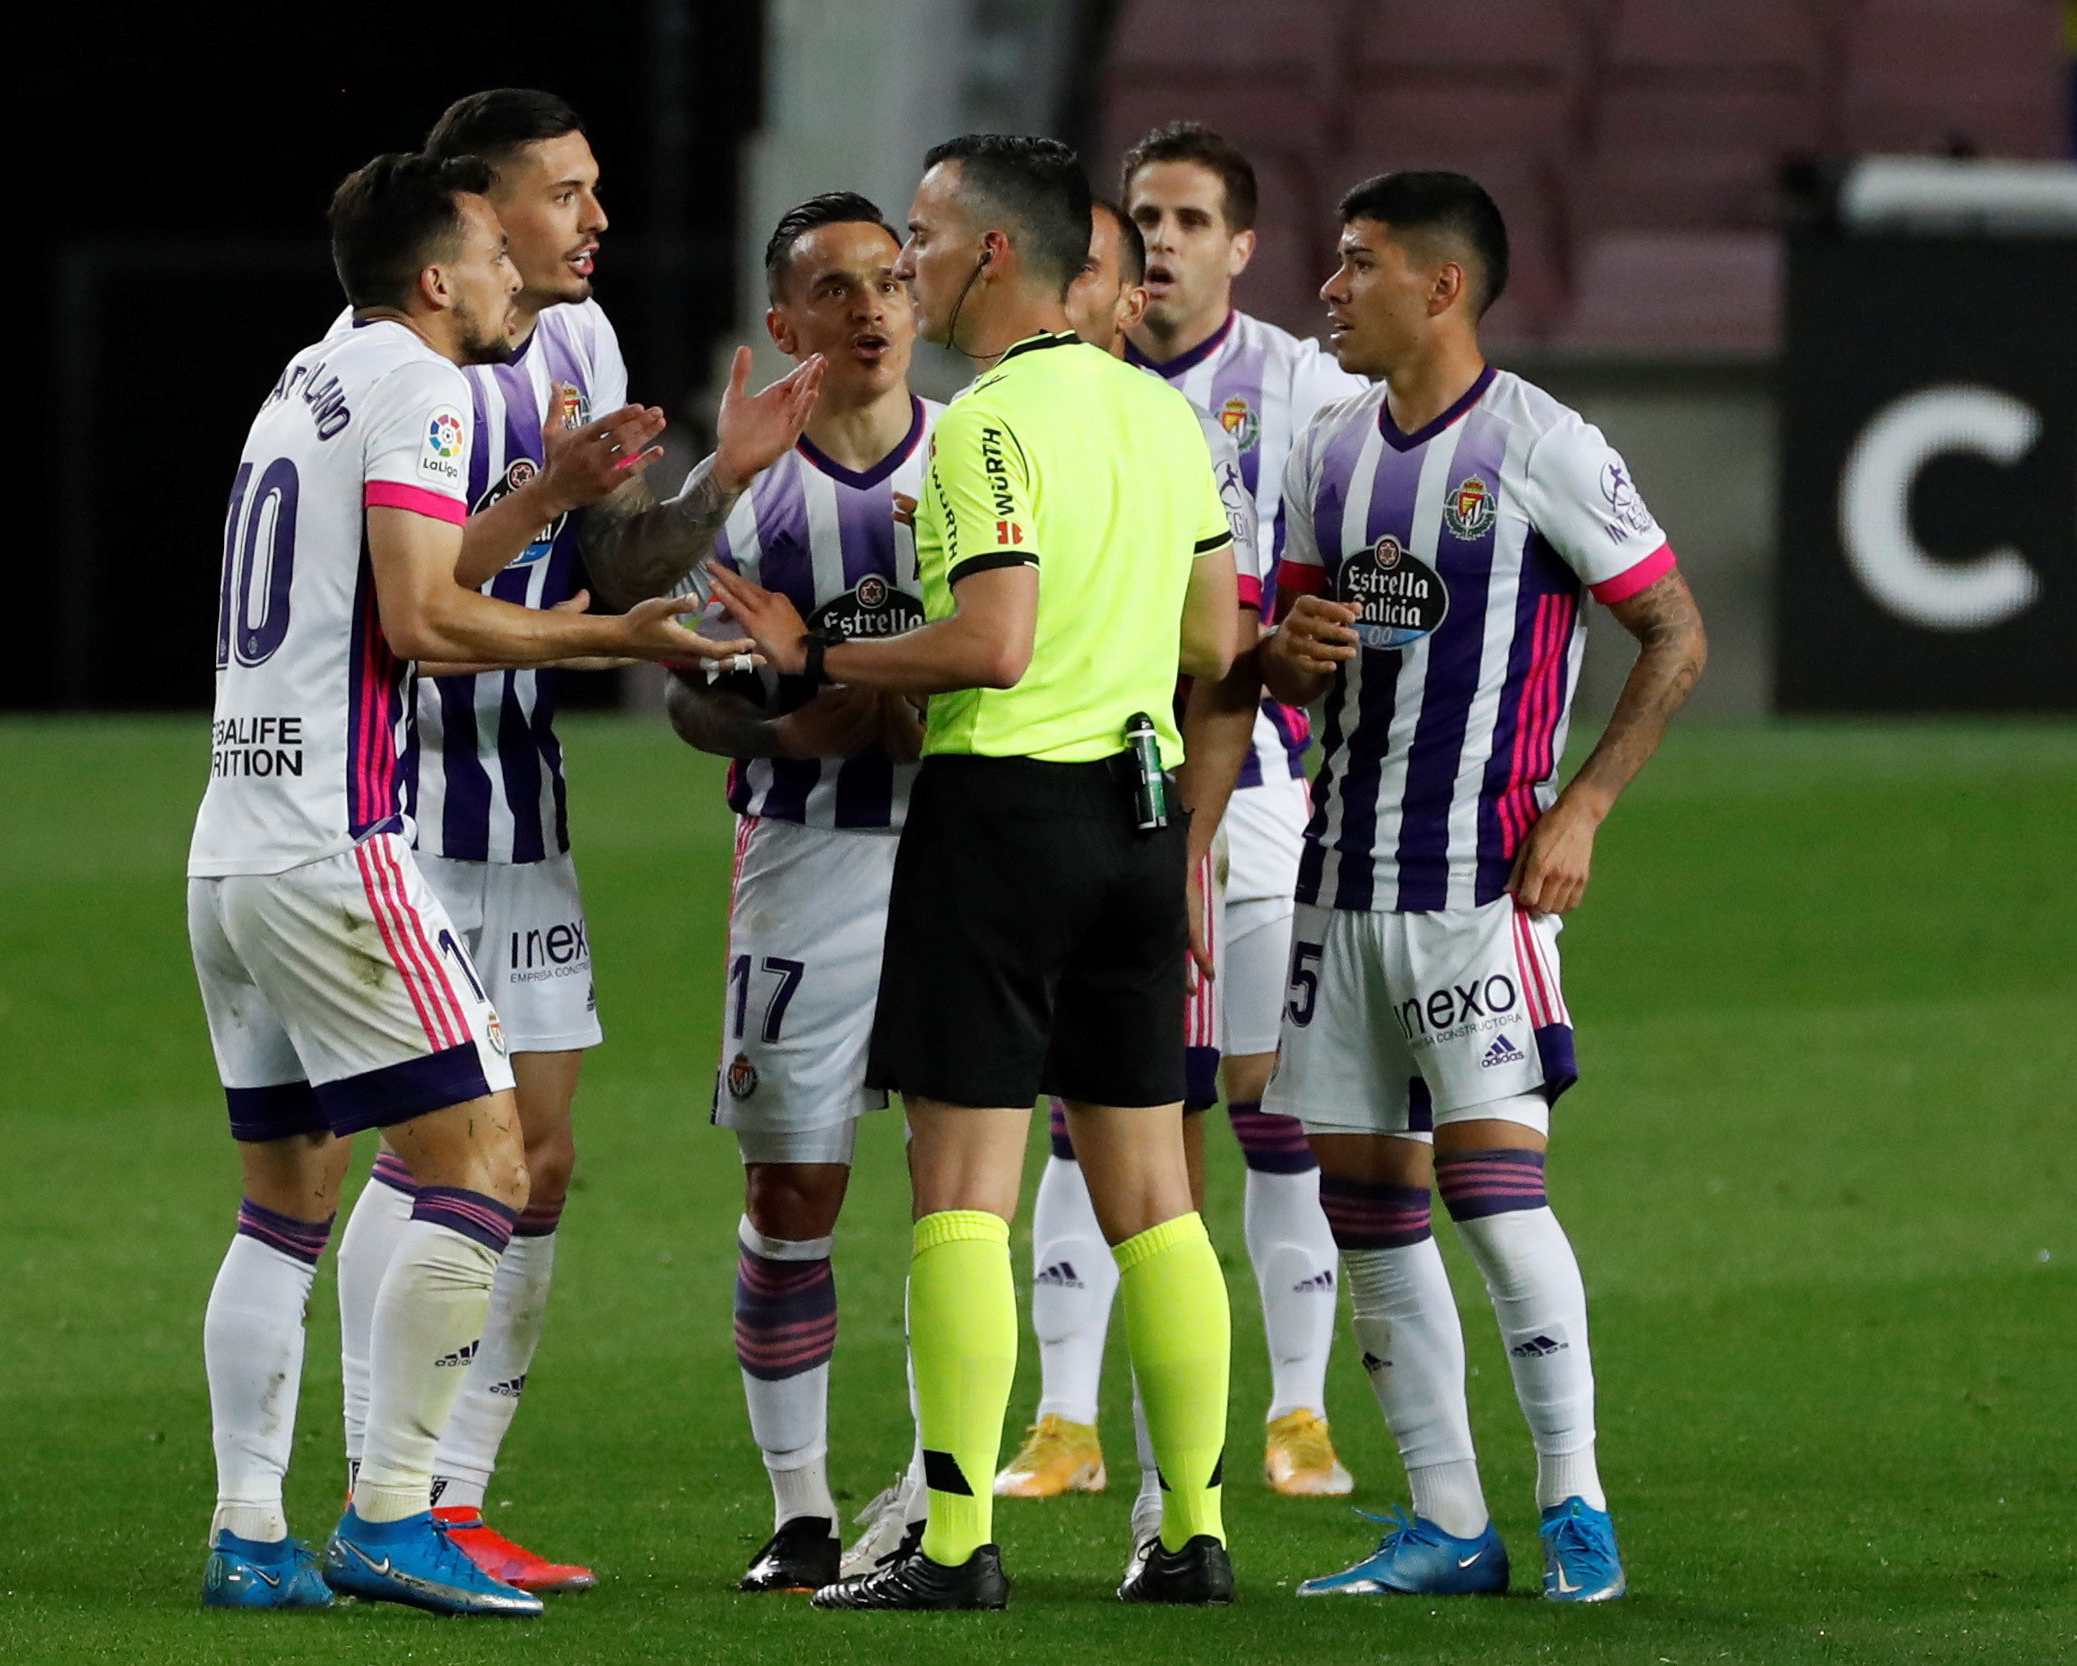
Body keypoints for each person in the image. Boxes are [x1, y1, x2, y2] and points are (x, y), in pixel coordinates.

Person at [189, 151, 744, 1617]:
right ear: (439, 276)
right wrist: (620, 638)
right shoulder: (425, 388)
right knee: (486, 1162)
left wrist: (558, 513)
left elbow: (389, 589)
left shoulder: (305, 378)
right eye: (497, 255)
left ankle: (251, 1532)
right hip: (336, 840)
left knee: (283, 1208)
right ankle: (391, 1512)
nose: (518, 279)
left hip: (229, 841)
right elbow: (428, 622)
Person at [709, 133, 1243, 1612]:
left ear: (994, 255)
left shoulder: (985, 431)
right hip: (1141, 827)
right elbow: (1211, 642)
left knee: (962, 1193)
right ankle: (1191, 1532)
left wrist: (813, 651)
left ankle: (952, 1544)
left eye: (928, 238)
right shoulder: (1161, 415)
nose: (912, 265)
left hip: (1005, 817)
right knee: (1155, 1197)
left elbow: (992, 643)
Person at [329, 88, 823, 1596]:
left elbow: (609, 560)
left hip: (521, 804)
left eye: (600, 185)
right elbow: (415, 605)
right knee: (432, 1155)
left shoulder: (580, 345)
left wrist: (717, 482)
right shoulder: (408, 360)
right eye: (565, 191)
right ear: (476, 214)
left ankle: (456, 1498)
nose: (597, 216)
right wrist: (577, 549)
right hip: (397, 799)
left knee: (535, 1162)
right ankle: (384, 1483)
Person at [1258, 171, 1705, 1602]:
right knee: (1365, 1202)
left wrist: (1586, 802)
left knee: (1496, 1192)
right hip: (1338, 881)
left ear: (1442, 287)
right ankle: (1448, 1520)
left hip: (1478, 885)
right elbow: (1281, 642)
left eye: (1357, 264)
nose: (1329, 290)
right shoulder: (1328, 444)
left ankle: (1574, 1497)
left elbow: (1675, 631)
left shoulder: (1541, 444)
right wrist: (1286, 654)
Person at [1003, 121, 1370, 1504]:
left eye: (1190, 221)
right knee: (1086, 1095)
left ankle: (1294, 1412)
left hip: (1260, 786)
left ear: (1242, 246)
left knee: (1270, 1098)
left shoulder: (1309, 390)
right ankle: (1064, 1418)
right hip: (1089, 772)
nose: (1160, 243)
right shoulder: (1067, 385)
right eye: (1143, 218)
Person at [661, 190, 941, 1593]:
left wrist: (859, 690)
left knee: (964, 1191)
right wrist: (776, 726)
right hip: (805, 862)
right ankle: (802, 1506)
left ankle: (939, 1496)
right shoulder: (756, 489)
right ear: (785, 324)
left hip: (965, 867)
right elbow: (690, 699)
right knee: (793, 1184)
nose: (873, 308)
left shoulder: (975, 462)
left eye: (891, 280)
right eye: (837, 290)